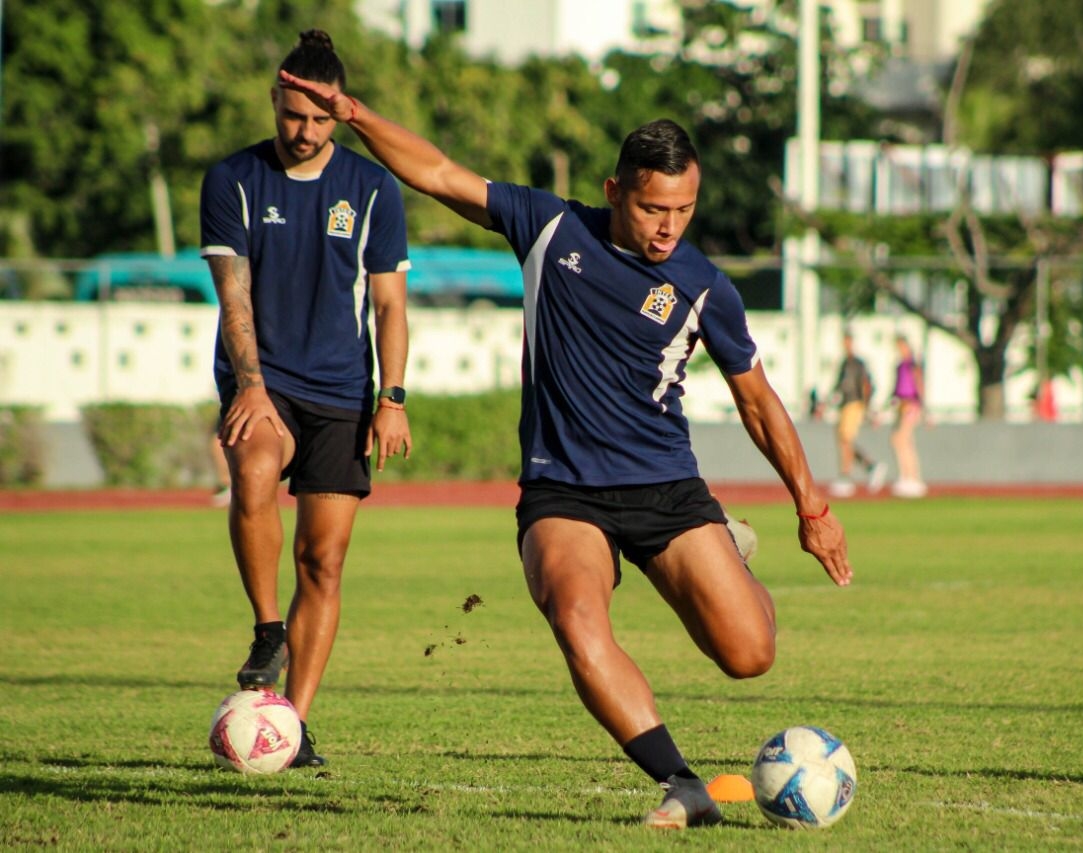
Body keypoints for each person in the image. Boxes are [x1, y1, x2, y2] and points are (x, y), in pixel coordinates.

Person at [277, 72, 850, 828]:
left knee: (749, 655)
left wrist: (811, 506)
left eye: (684, 208)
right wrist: (353, 115)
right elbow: (439, 171)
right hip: (564, 493)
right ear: (614, 190)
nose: (668, 226)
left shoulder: (705, 284)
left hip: (666, 488)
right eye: (652, 207)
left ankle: (730, 551)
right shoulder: (551, 229)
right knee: (578, 619)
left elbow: (756, 399)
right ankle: (679, 782)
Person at [200, 30, 413, 769]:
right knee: (253, 470)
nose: (307, 132)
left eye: (322, 120)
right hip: (266, 379)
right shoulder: (231, 179)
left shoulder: (374, 188)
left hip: (343, 392)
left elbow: (389, 305)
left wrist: (393, 396)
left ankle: (290, 725)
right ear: (275, 102)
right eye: (295, 116)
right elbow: (234, 296)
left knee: (322, 561)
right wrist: (251, 383)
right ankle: (267, 627)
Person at [828, 330, 886, 498]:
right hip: (845, 404)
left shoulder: (858, 364)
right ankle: (870, 466)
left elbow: (866, 385)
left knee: (845, 439)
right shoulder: (844, 363)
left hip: (855, 404)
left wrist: (867, 407)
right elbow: (838, 386)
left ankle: (846, 477)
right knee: (844, 441)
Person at [889, 334, 928, 498]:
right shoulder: (900, 366)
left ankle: (910, 477)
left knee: (901, 439)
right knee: (904, 441)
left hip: (911, 404)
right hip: (902, 404)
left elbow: (919, 384)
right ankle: (909, 476)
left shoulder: (912, 364)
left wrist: (923, 407)